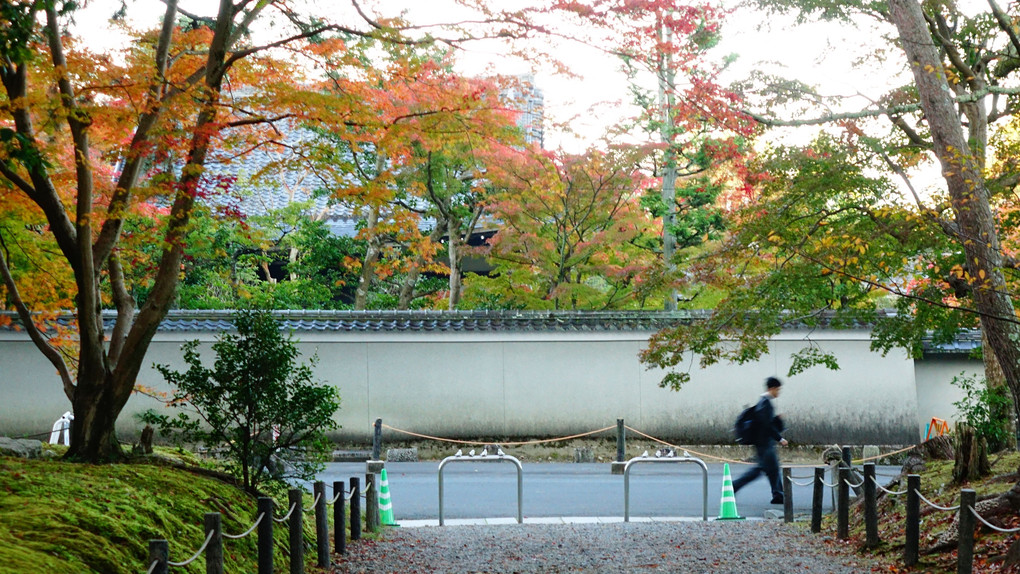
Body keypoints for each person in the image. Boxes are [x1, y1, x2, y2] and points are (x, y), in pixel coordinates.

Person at [732, 376, 788, 504]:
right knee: (759, 470)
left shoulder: (763, 402)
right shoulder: (765, 403)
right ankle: (734, 485)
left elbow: (765, 422)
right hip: (764, 443)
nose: (778, 392)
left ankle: (778, 495)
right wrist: (780, 438)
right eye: (778, 389)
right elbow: (766, 425)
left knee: (772, 469)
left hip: (764, 442)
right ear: (772, 388)